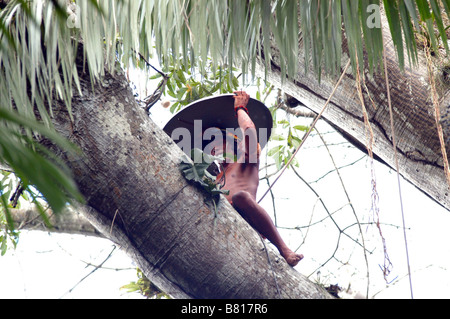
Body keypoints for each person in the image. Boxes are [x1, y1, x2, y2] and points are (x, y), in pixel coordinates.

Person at [208, 91, 303, 267]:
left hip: (247, 220)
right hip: (219, 223)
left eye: (219, 143)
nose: (215, 150)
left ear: (233, 144)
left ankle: (284, 249)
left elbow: (250, 132)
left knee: (240, 197)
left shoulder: (246, 159)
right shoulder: (216, 178)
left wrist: (240, 108)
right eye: (212, 148)